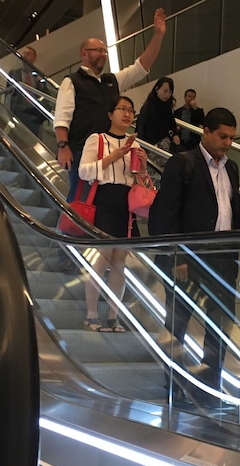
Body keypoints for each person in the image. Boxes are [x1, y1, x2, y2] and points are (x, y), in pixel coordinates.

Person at [149, 108, 240, 399]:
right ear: (205, 132)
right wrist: (178, 257)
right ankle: (174, 385)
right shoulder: (183, 164)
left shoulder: (231, 168)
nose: (228, 143)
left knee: (220, 326)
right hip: (187, 260)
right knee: (178, 324)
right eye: (222, 136)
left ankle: (208, 386)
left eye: (232, 138)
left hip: (223, 260)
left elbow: (236, 212)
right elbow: (166, 217)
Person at [54, 8, 167, 201]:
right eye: (97, 50)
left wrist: (158, 34)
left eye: (104, 51)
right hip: (81, 150)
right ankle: (71, 231)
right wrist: (63, 146)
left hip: (111, 150)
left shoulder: (112, 80)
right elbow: (62, 118)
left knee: (104, 200)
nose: (103, 54)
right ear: (84, 54)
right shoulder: (72, 81)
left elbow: (141, 67)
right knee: (80, 200)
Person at [78, 96, 147, 332]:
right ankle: (91, 313)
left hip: (126, 204)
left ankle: (113, 316)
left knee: (120, 261)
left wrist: (143, 167)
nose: (127, 114)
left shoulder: (135, 146)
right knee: (103, 256)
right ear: (110, 114)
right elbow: (83, 172)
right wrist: (112, 157)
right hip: (104, 200)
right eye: (122, 109)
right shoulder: (97, 139)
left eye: (131, 110)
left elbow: (139, 181)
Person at [136, 77, 181, 185]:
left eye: (170, 92)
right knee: (154, 176)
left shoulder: (167, 108)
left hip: (165, 147)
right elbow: (140, 128)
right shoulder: (148, 107)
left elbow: (172, 126)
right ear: (157, 89)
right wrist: (142, 147)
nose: (167, 95)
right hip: (152, 147)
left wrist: (174, 134)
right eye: (165, 91)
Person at [8, 46, 47, 136]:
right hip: (18, 111)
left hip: (33, 113)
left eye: (28, 54)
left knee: (33, 137)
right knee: (17, 136)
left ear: (34, 58)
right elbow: (9, 93)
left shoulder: (38, 75)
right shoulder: (14, 73)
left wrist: (41, 82)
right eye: (24, 53)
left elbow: (45, 93)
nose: (25, 56)